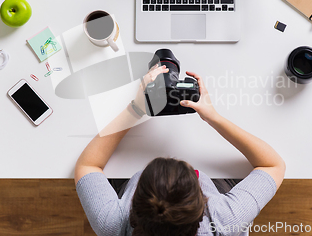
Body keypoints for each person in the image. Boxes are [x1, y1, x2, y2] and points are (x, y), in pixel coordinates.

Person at [75, 65, 286, 236]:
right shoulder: (224, 219)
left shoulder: (111, 223)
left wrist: (136, 108)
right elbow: (273, 164)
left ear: (132, 206)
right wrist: (213, 117)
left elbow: (88, 165)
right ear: (203, 205)